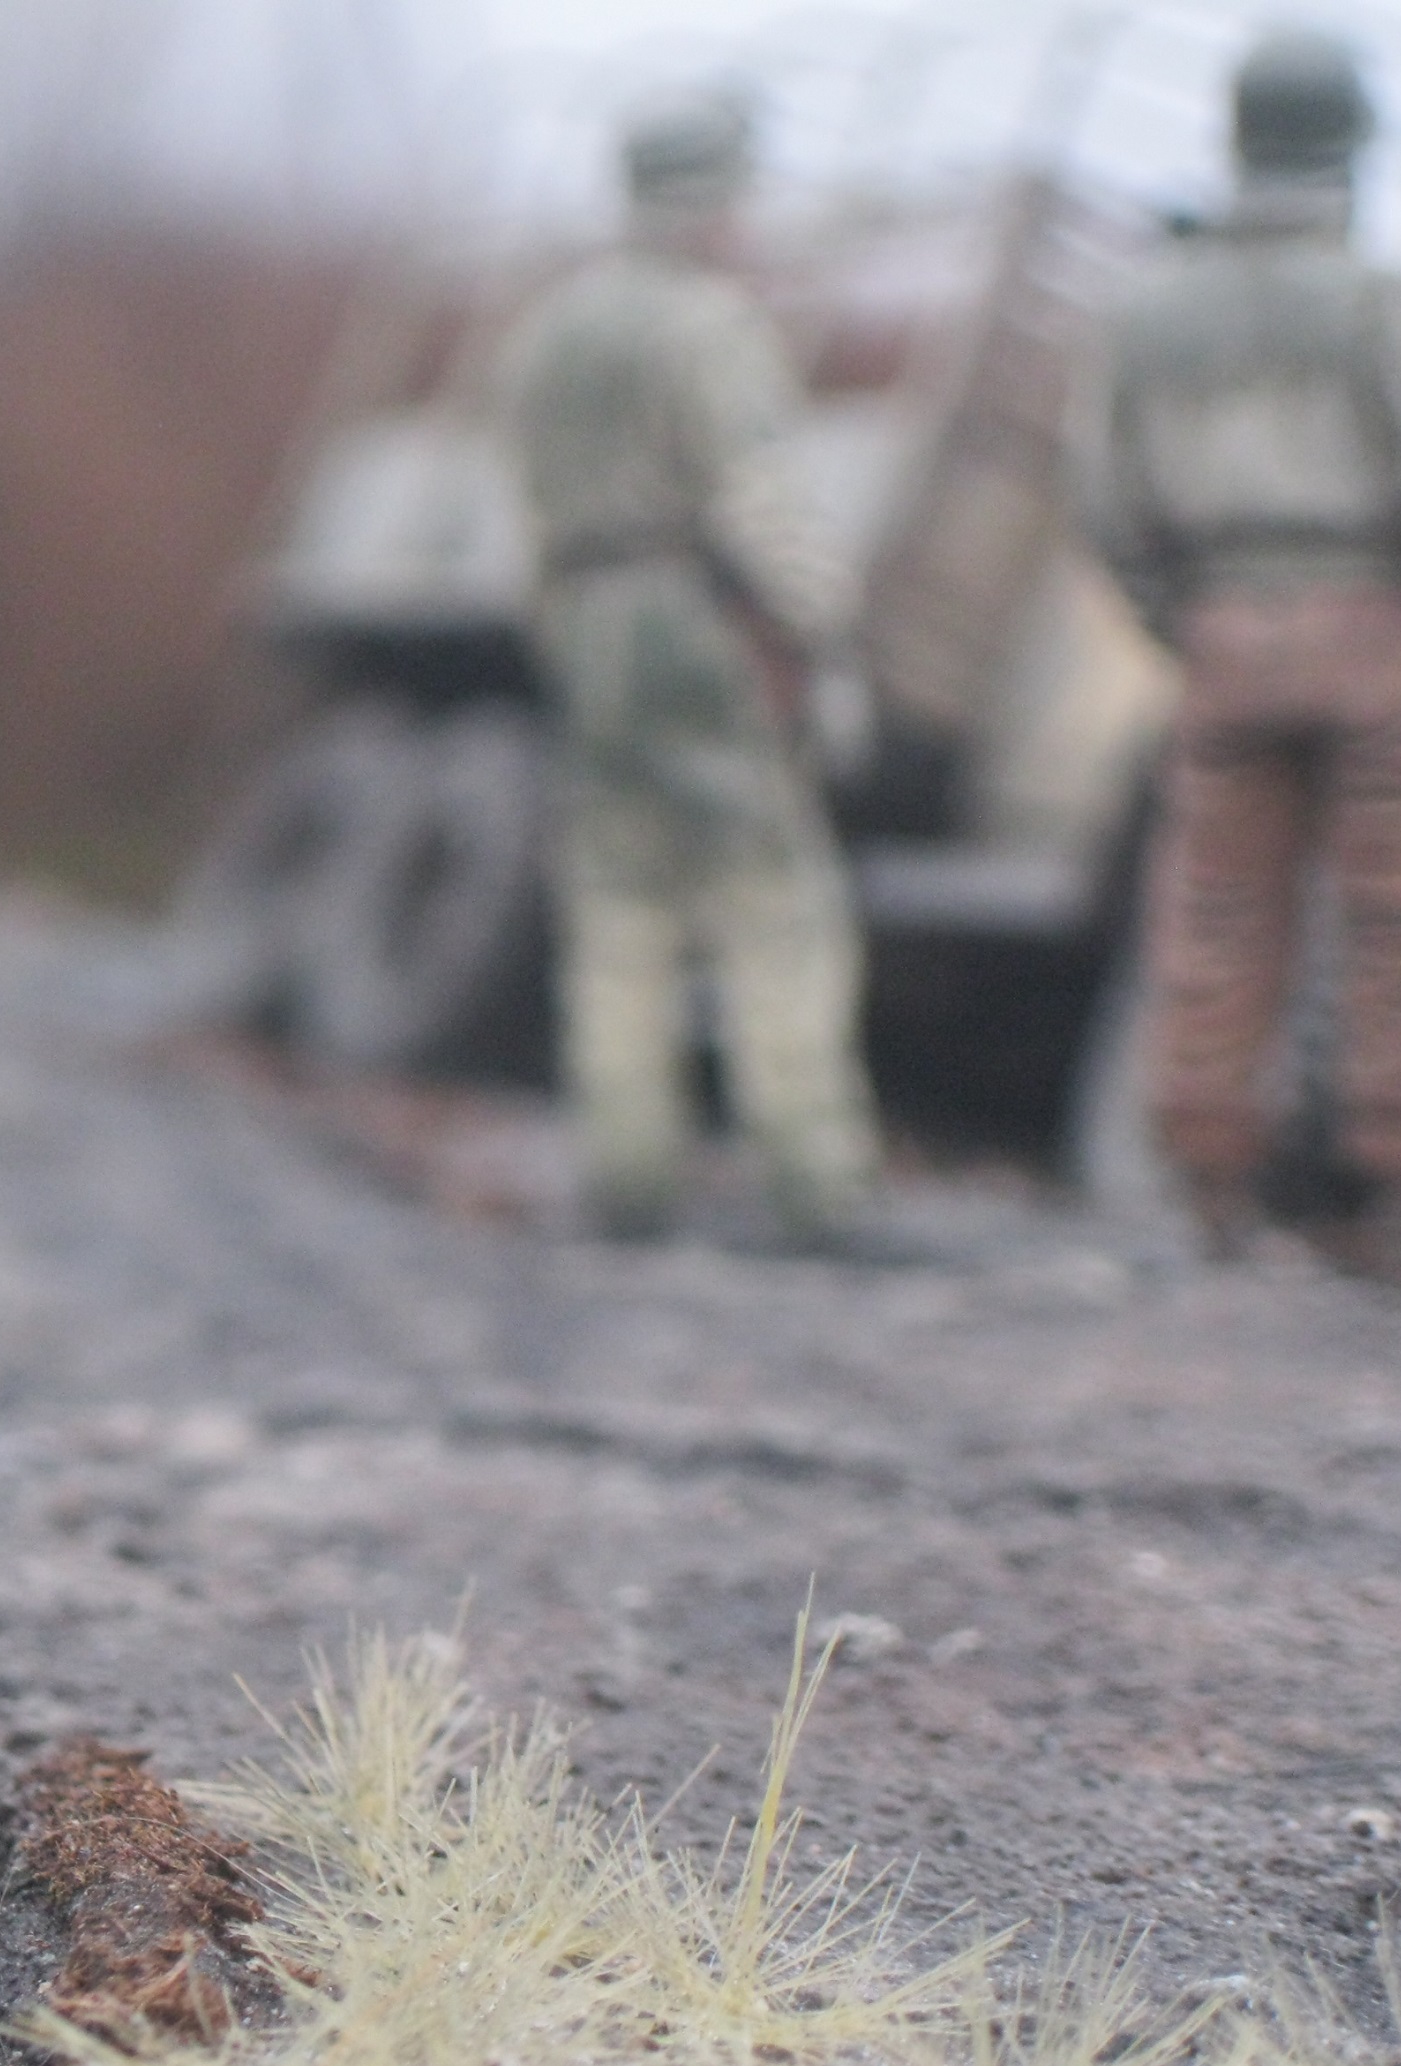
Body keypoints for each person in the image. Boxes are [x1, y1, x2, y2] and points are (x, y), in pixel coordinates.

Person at [1085, 28, 1401, 1294]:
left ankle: (1210, 1195)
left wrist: (1184, 619)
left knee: (1216, 912)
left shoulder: (1148, 312)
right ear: (1349, 149)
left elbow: (1106, 500)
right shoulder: (1385, 303)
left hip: (1224, 631)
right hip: (1380, 629)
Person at [496, 91, 883, 1250]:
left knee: (620, 911)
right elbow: (759, 498)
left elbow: (529, 518)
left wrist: (566, 635)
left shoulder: (547, 333)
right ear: (710, 202)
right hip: (698, 619)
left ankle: (625, 1178)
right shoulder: (709, 326)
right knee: (776, 908)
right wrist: (822, 626)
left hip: (591, 622)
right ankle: (816, 1189)